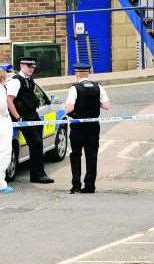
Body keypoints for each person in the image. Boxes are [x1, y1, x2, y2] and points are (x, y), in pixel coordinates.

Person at [6, 57, 54, 184]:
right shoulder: (16, 81)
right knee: (37, 144)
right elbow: (9, 100)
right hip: (24, 118)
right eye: (29, 66)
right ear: (22, 66)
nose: (32, 69)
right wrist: (18, 118)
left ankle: (37, 174)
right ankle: (39, 175)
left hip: (33, 116)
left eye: (33, 67)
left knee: (38, 146)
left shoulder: (30, 80)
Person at [65, 63, 112, 194]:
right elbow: (107, 106)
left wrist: (66, 110)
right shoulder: (98, 87)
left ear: (77, 74)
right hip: (93, 127)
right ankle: (90, 186)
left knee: (76, 155)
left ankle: (76, 186)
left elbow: (69, 108)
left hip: (77, 127)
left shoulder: (74, 89)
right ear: (88, 73)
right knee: (92, 156)